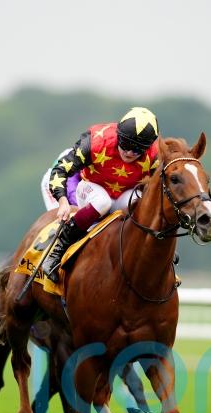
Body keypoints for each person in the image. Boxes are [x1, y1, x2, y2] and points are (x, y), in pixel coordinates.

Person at [41, 107, 160, 282]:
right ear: (118, 136)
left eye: (137, 150)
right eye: (125, 145)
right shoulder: (96, 141)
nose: (129, 153)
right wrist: (63, 201)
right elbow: (60, 170)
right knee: (102, 202)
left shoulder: (155, 157)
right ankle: (57, 251)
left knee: (138, 202)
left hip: (123, 194)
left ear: (147, 148)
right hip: (89, 188)